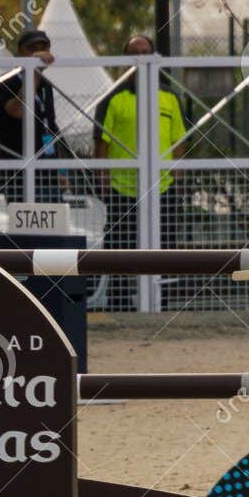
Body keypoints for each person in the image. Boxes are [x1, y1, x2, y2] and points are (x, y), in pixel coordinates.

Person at [93, 33, 188, 309]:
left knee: (166, 251)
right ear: (125, 62)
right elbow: (101, 146)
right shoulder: (113, 99)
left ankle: (164, 306)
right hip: (123, 191)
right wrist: (104, 188)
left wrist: (179, 185)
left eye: (146, 53)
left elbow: (179, 143)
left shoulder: (170, 98)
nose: (141, 59)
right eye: (135, 54)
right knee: (121, 254)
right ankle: (120, 308)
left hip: (163, 189)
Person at [0, 29, 63, 201]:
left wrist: (62, 170)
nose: (39, 53)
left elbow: (51, 127)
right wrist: (32, 72)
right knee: (24, 228)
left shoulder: (46, 85)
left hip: (49, 176)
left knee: (54, 226)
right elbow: (17, 111)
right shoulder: (6, 82)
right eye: (32, 48)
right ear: (20, 52)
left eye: (44, 47)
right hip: (18, 176)